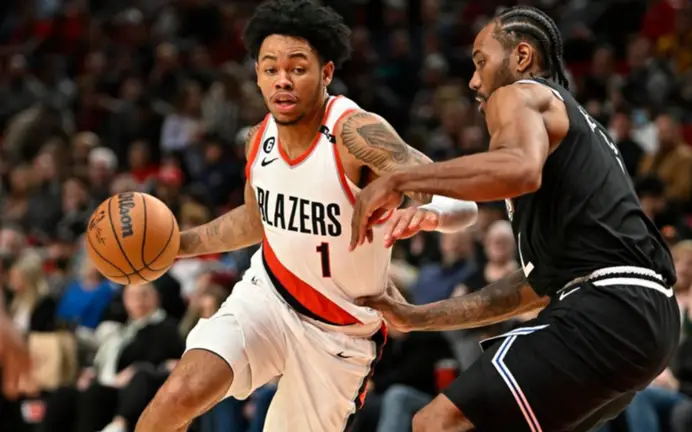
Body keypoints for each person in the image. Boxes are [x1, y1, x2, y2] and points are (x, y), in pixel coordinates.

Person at [135, 1, 478, 431]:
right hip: (266, 298)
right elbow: (255, 221)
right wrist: (176, 247)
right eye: (270, 69)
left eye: (297, 68)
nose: (282, 80)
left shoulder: (356, 133)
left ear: (326, 72)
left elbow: (458, 197)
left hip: (340, 335)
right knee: (177, 396)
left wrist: (432, 214)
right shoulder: (258, 138)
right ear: (257, 75)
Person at [351, 5, 681, 432]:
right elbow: (529, 289)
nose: (474, 81)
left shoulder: (521, 92)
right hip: (644, 320)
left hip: (609, 306)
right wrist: (418, 317)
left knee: (437, 423)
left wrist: (399, 179)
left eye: (481, 62)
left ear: (522, 57)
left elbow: (520, 169)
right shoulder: (574, 141)